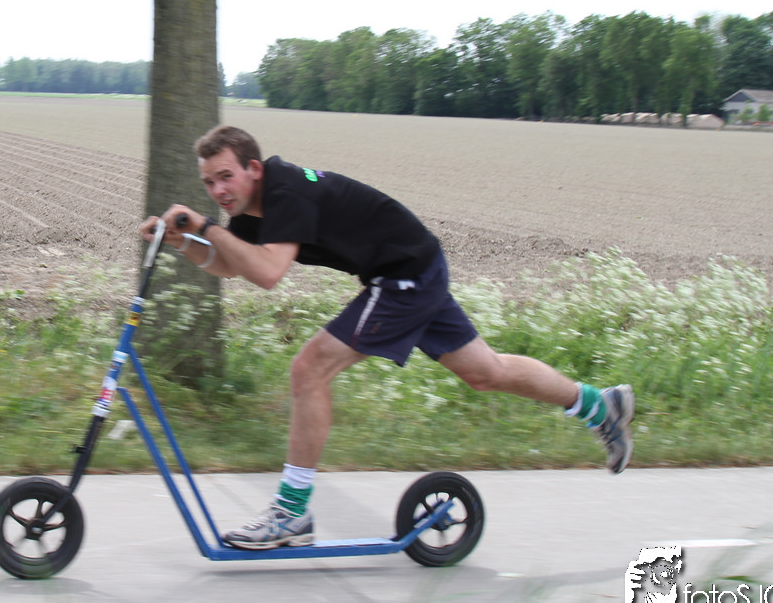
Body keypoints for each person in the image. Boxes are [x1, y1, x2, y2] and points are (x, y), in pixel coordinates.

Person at [141, 125, 633, 550]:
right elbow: (230, 266)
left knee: (309, 369)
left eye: (225, 176)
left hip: (403, 277)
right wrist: (185, 241)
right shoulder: (253, 208)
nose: (218, 190)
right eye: (209, 183)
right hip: (413, 266)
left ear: (253, 168)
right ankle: (599, 405)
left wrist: (206, 226)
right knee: (487, 372)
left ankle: (291, 513)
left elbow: (268, 273)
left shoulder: (285, 190)